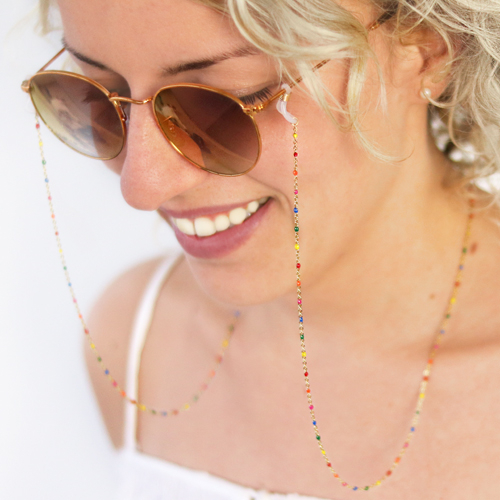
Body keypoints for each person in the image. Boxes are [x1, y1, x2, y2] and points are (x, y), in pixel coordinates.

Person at [26, 0, 500, 498]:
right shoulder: (137, 342)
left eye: (226, 101)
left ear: (427, 49)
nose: (142, 185)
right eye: (100, 96)